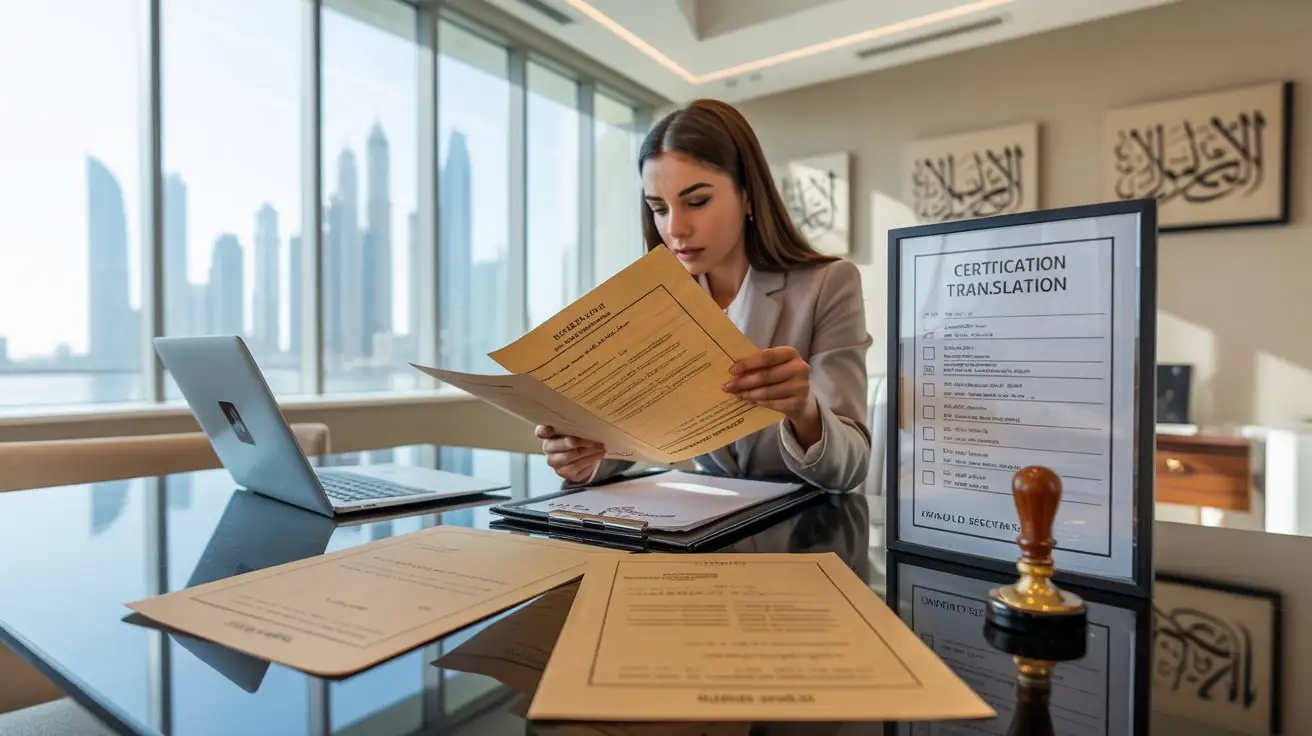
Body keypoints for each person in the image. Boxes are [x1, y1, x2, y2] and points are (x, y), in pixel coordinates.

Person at [536, 98, 872, 491]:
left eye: (697, 202)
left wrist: (805, 411)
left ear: (748, 194)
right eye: (659, 208)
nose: (676, 228)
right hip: (704, 525)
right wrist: (584, 452)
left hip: (805, 528)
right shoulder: (657, 300)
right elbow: (646, 428)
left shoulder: (828, 284)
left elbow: (853, 467)